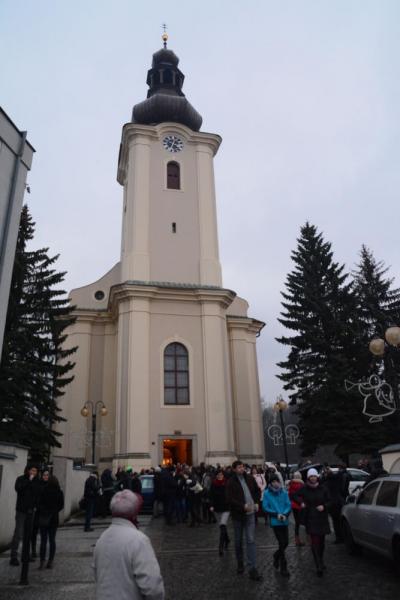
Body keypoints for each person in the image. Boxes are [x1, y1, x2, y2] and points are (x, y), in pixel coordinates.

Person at [94, 490, 164, 600]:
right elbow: (153, 587)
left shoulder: (102, 539)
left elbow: (97, 574)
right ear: (135, 513)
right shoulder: (139, 540)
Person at [226, 460, 263, 581]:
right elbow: (230, 499)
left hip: (251, 514)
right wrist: (242, 506)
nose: (242, 469)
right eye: (239, 467)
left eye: (242, 467)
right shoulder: (231, 482)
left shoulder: (250, 479)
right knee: (238, 541)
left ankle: (252, 568)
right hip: (238, 516)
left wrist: (257, 502)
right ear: (234, 469)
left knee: (251, 540)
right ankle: (240, 562)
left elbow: (257, 491)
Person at [293, 468, 331, 577]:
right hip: (310, 518)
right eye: (311, 476)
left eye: (314, 476)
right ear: (308, 478)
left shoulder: (323, 488)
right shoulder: (304, 488)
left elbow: (329, 501)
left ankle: (321, 559)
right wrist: (301, 502)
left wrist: (324, 506)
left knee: (322, 543)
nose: (313, 478)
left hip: (322, 518)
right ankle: (318, 564)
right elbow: (294, 495)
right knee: (314, 542)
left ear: (317, 477)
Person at [10, 464, 41, 566]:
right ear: (28, 470)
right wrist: (29, 481)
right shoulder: (21, 479)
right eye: (32, 470)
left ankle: (26, 555)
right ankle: (13, 556)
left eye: (35, 471)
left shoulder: (37, 481)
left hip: (31, 511)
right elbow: (18, 489)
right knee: (18, 533)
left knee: (28, 535)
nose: (33, 473)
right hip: (21, 510)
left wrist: (35, 506)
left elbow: (37, 494)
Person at [262, 473, 291, 578]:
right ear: (270, 483)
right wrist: (276, 514)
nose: (276, 484)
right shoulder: (266, 493)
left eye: (277, 481)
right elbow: (265, 507)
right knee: (282, 543)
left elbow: (288, 504)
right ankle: (284, 567)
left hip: (284, 520)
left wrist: (285, 514)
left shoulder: (284, 492)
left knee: (286, 542)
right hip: (275, 521)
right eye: (273, 482)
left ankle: (276, 555)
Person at [37, 475, 64, 569]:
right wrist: (54, 511)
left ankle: (42, 561)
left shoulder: (43, 490)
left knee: (43, 541)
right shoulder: (59, 492)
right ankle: (50, 561)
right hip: (53, 518)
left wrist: (44, 511)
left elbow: (39, 503)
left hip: (44, 517)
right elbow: (61, 505)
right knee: (52, 540)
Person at [209, 470, 230, 555]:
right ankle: (227, 540)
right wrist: (211, 505)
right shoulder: (213, 484)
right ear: (216, 476)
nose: (220, 476)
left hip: (226, 508)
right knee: (222, 526)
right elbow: (211, 496)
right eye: (218, 475)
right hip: (217, 508)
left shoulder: (227, 483)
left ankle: (220, 547)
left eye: (221, 474)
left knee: (222, 525)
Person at [288, 471, 306, 546]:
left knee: (297, 523)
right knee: (304, 522)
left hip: (295, 506)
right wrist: (301, 502)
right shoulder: (302, 485)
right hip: (300, 505)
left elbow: (291, 495)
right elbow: (302, 495)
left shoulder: (291, 484)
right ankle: (309, 539)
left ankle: (297, 540)